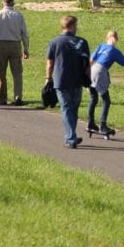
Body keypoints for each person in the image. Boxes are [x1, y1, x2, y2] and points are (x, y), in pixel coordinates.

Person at [47, 15, 91, 148]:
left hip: (61, 80)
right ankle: (71, 137)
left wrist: (48, 77)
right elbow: (87, 64)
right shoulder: (82, 42)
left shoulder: (55, 42)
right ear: (72, 26)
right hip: (77, 80)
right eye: (76, 25)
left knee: (66, 108)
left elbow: (50, 62)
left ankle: (70, 136)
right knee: (73, 108)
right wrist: (88, 79)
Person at [0, 0, 30, 106]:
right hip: (15, 45)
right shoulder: (19, 15)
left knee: (1, 72)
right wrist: (26, 48)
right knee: (17, 73)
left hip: (1, 44)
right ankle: (18, 97)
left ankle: (2, 97)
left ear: (2, 3)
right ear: (13, 3)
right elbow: (24, 33)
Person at [87, 29, 124, 137]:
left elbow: (90, 60)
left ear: (107, 38)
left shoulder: (101, 46)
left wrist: (86, 73)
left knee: (93, 98)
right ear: (116, 39)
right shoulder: (115, 51)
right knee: (106, 100)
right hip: (101, 71)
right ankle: (103, 125)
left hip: (91, 70)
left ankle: (90, 123)